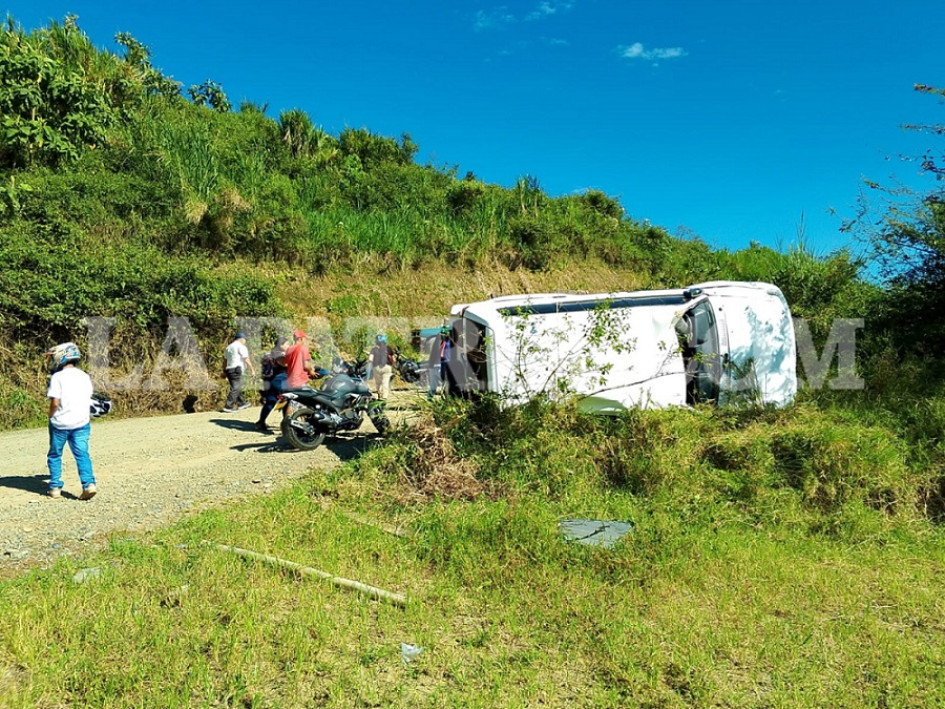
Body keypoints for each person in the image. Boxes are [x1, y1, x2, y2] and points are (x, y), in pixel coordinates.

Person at [45, 342, 96, 500]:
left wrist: (50, 415)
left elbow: (55, 403)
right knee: (82, 454)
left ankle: (55, 488)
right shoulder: (84, 376)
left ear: (61, 357)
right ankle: (89, 484)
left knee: (55, 455)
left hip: (60, 424)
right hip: (81, 422)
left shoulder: (57, 377)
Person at [256, 336, 290, 433]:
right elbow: (286, 364)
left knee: (271, 401)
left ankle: (261, 422)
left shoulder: (269, 353)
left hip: (270, 381)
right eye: (287, 344)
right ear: (281, 345)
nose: (289, 346)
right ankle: (286, 425)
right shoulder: (278, 354)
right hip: (279, 381)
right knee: (286, 400)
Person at [222, 331, 256, 412]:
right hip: (237, 369)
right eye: (245, 339)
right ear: (241, 339)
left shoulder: (229, 347)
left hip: (229, 369)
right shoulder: (241, 346)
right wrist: (252, 369)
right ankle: (228, 406)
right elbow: (246, 359)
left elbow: (225, 361)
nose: (245, 341)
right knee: (236, 388)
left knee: (236, 387)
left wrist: (224, 371)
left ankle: (241, 403)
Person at [427, 326, 450, 399]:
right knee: (445, 384)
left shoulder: (436, 345)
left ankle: (429, 398)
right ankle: (445, 399)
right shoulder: (447, 344)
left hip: (433, 366)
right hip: (440, 366)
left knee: (433, 386)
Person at [370, 333, 395, 399]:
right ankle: (384, 397)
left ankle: (379, 395)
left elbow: (370, 359)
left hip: (376, 367)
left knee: (378, 383)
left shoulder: (374, 349)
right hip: (387, 367)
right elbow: (393, 359)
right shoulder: (388, 348)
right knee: (385, 382)